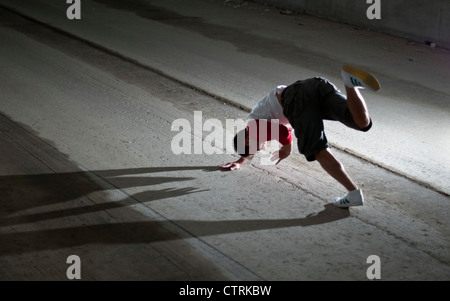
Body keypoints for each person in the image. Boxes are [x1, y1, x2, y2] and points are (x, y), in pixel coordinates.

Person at [218, 65, 380, 208]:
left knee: (315, 148)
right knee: (360, 122)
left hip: (296, 98)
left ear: (247, 140)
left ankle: (353, 193)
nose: (262, 148)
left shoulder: (253, 127)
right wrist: (240, 161)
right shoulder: (256, 126)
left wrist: (286, 150)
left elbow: (283, 132)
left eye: (257, 148)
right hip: (314, 87)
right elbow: (262, 140)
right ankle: (350, 83)